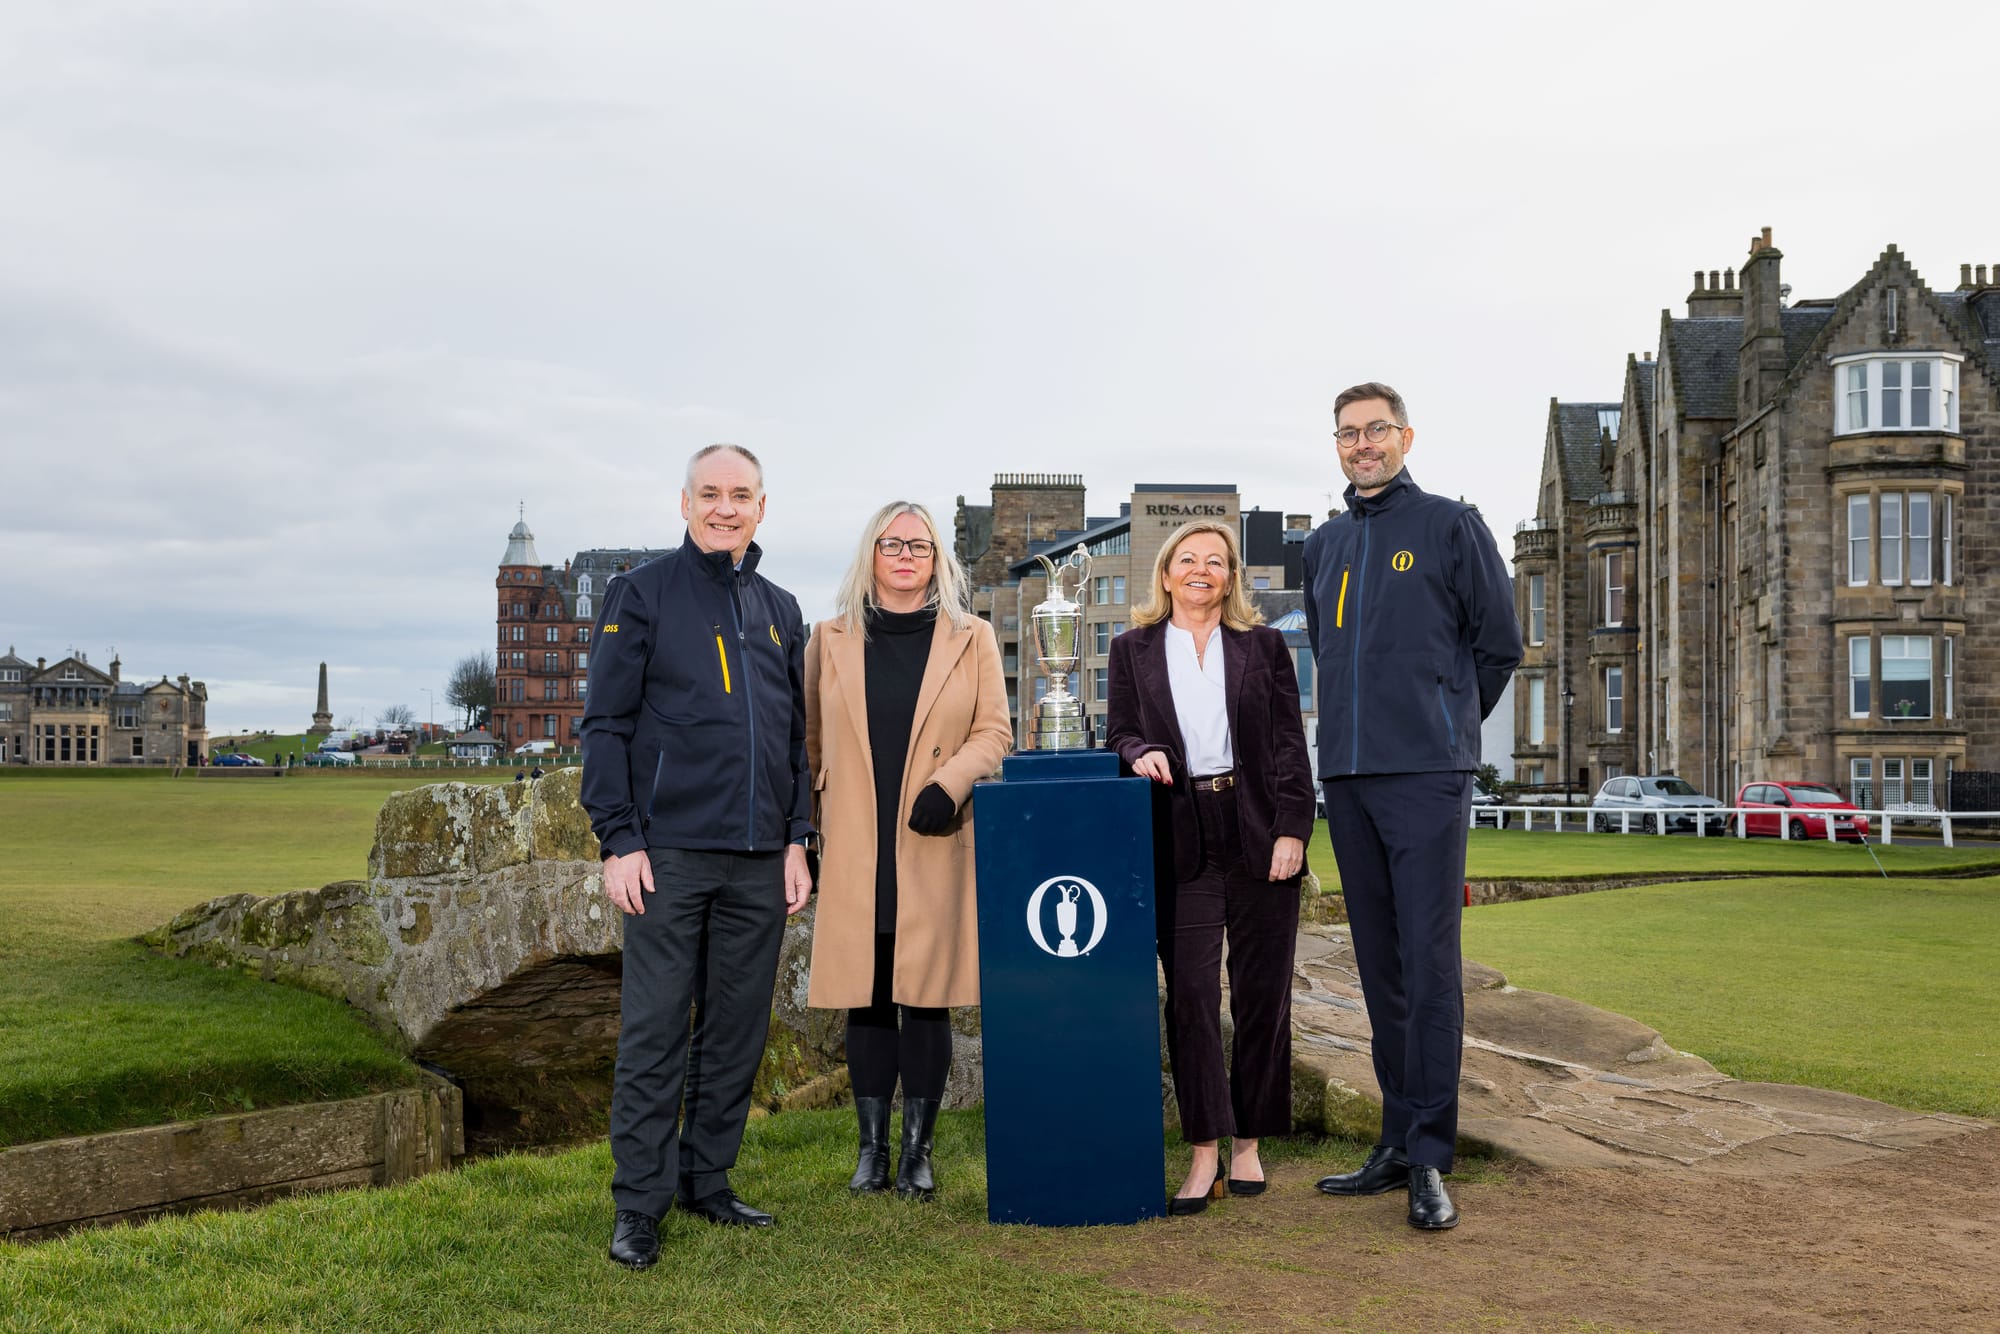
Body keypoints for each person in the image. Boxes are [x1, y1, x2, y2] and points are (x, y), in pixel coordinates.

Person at [580, 443, 814, 1270]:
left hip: (759, 857)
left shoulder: (783, 610)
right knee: (653, 1034)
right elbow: (604, 725)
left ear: (761, 508)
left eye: (740, 495)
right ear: (685, 504)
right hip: (668, 855)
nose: (725, 507)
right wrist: (619, 838)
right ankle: (637, 1206)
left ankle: (705, 1180)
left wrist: (797, 837)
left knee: (737, 1031)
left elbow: (794, 739)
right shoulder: (639, 594)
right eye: (710, 494)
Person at [1303, 382, 1522, 1231]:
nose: (1363, 445)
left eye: (1377, 431)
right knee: (1382, 970)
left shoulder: (1450, 526)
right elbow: (1327, 652)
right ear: (1337, 445)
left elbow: (1498, 646)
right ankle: (1396, 1142)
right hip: (1349, 783)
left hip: (1427, 776)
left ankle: (1432, 1156)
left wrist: (1447, 726)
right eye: (1349, 434)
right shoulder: (1323, 547)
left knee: (1431, 971)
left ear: (1406, 437)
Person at [804, 501, 1012, 1201]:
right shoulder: (826, 639)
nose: (904, 555)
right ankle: (871, 1151)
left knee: (926, 1000)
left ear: (937, 560)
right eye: (891, 544)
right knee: (864, 998)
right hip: (857, 845)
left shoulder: (971, 638)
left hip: (933, 839)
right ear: (871, 553)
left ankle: (918, 1154)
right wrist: (805, 837)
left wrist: (950, 784)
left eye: (918, 546)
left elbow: (994, 733)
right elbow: (807, 747)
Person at [1107, 520, 1315, 1216]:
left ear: (1231, 577)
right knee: (1192, 997)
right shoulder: (1130, 649)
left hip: (1257, 831)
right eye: (1188, 560)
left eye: (1216, 562)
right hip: (1179, 833)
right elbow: (1119, 731)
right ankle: (1203, 1153)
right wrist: (1136, 750)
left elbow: (1290, 745)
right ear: (1165, 575)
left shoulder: (1263, 647)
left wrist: (1293, 830)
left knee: (1262, 996)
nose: (1202, 570)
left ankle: (1249, 1143)